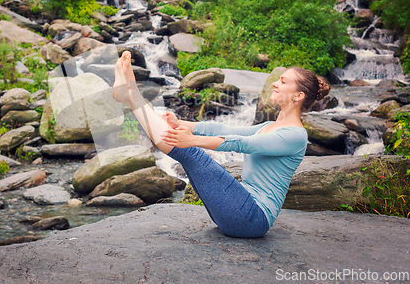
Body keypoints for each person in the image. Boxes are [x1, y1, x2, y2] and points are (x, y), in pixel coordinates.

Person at [112, 51, 330, 238]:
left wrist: (194, 141)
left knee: (191, 152)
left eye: (283, 81)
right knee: (188, 151)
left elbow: (244, 144)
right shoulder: (270, 125)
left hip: (253, 218)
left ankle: (131, 96)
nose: (275, 82)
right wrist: (183, 124)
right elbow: (226, 130)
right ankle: (130, 94)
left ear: (298, 95)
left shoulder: (296, 135)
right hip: (240, 209)